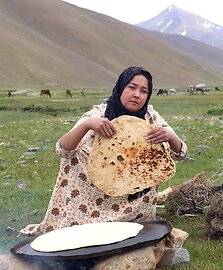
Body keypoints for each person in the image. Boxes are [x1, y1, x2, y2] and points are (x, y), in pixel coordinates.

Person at [21, 66, 188, 235]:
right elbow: (62, 150)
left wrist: (170, 136)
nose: (137, 94)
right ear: (121, 87)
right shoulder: (100, 113)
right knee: (76, 154)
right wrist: (88, 125)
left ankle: (129, 222)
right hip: (90, 201)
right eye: (132, 87)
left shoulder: (150, 117)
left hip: (135, 206)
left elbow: (181, 153)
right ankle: (81, 222)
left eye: (143, 91)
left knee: (154, 160)